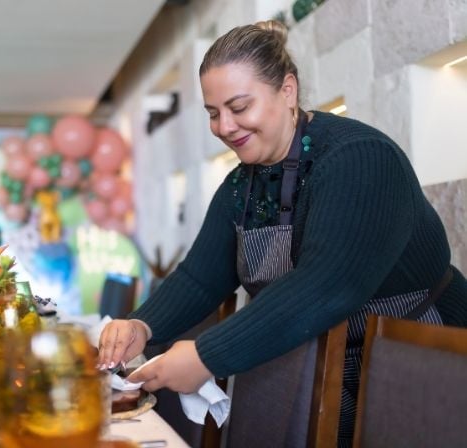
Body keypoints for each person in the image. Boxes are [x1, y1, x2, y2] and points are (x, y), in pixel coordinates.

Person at [98, 20, 467, 445]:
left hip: (419, 365)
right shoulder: (241, 184)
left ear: (287, 91)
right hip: (319, 365)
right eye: (213, 113)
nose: (224, 126)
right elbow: (200, 277)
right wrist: (142, 324)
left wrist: (206, 355)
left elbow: (326, 286)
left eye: (239, 107)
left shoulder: (359, 159)